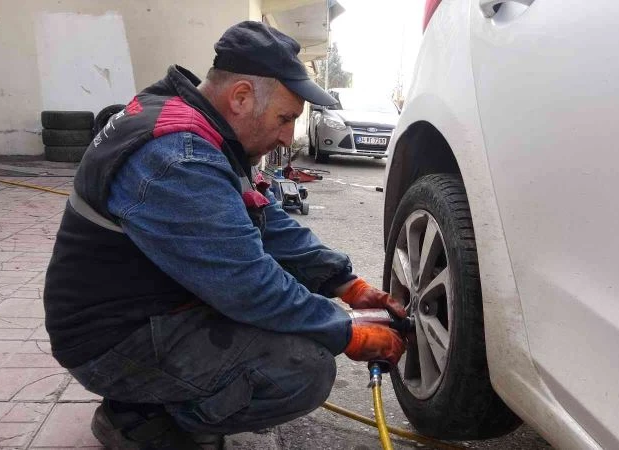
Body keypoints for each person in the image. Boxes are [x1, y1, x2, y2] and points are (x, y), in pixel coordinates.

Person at [43, 21, 406, 450]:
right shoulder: (180, 156)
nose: (288, 135)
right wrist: (346, 332)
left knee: (294, 328)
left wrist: (347, 284)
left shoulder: (200, 128)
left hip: (145, 311)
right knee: (302, 368)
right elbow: (248, 286)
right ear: (241, 97)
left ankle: (156, 396)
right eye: (285, 118)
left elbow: (268, 220)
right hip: (111, 340)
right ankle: (141, 420)